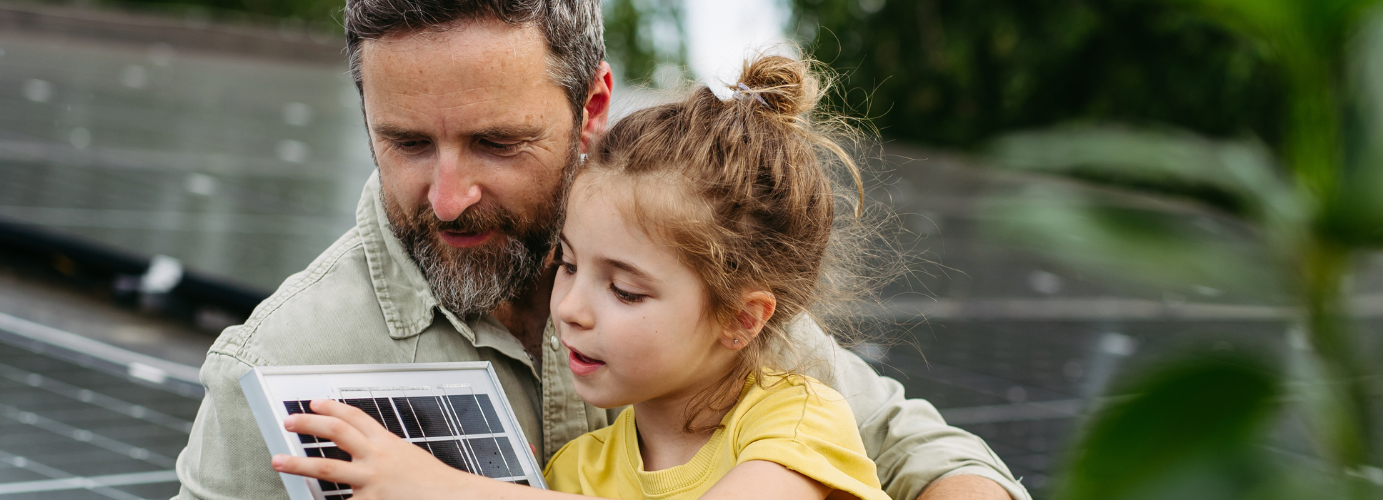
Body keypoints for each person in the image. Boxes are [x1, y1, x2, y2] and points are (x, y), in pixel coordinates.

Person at [170, 1, 1028, 499]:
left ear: (591, 110)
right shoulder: (284, 359)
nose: (448, 196)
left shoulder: (716, 304)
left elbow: (923, 453)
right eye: (406, 144)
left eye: (498, 144)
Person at [274, 54, 900, 500]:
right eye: (568, 264)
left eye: (625, 289)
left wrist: (445, 489)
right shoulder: (576, 471)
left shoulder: (797, 423)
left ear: (741, 318)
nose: (570, 306)